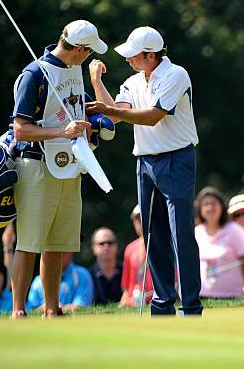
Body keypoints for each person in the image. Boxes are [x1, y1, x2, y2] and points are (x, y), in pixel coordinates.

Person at [86, 26, 202, 315]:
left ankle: (190, 304)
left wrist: (107, 109)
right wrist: (96, 80)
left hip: (177, 159)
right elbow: (116, 111)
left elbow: (151, 117)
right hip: (146, 163)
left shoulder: (176, 74)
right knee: (153, 236)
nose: (128, 60)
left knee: (181, 234)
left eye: (133, 55)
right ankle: (163, 301)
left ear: (151, 55)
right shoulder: (133, 81)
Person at [6, 20, 107, 318]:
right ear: (78, 48)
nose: (88, 56)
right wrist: (62, 132)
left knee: (57, 243)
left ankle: (53, 308)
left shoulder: (75, 69)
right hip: (36, 163)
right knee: (29, 242)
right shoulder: (34, 74)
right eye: (88, 51)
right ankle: (18, 310)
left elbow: (74, 106)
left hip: (71, 164)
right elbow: (20, 128)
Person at [195, 187, 244, 298]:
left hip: (232, 295)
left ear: (221, 207)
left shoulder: (235, 230)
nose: (210, 208)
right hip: (201, 296)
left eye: (213, 203)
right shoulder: (196, 232)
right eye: (205, 204)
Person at [26, 252, 94, 313]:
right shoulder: (38, 280)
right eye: (55, 252)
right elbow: (31, 311)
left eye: (63, 252)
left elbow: (82, 307)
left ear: (71, 252)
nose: (58, 256)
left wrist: (55, 308)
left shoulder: (82, 275)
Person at [120, 205, 153, 308]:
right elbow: (126, 286)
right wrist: (123, 303)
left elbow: (174, 284)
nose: (142, 223)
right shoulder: (130, 249)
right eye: (138, 220)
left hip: (156, 301)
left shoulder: (165, 246)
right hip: (133, 302)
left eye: (145, 218)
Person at [89, 227, 123, 305]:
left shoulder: (128, 272)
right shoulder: (87, 276)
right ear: (93, 248)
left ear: (116, 246)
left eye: (110, 243)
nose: (106, 246)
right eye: (101, 243)